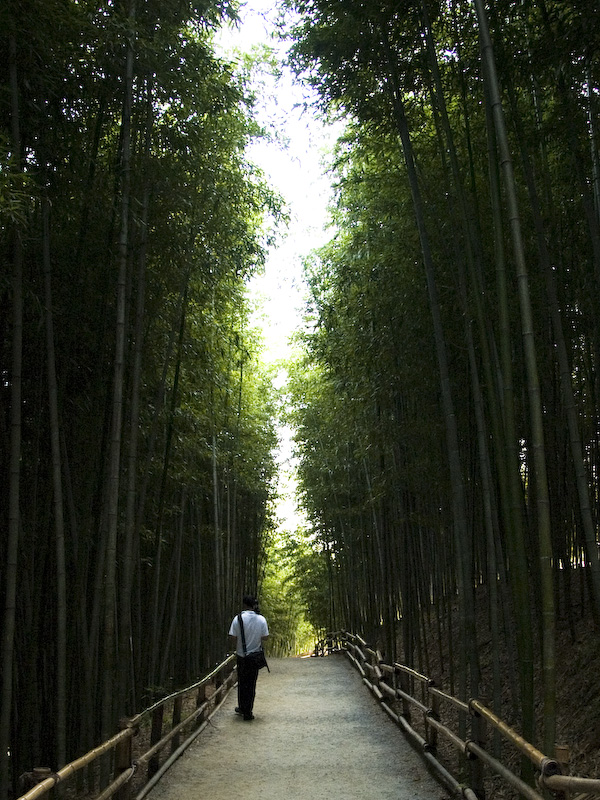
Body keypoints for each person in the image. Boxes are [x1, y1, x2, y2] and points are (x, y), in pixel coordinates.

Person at [228, 595, 269, 721]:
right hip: (255, 657)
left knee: (242, 682)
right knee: (251, 684)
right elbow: (266, 637)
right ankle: (248, 711)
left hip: (241, 656)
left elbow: (232, 637)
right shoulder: (261, 619)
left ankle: (242, 707)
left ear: (244, 605)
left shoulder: (237, 619)